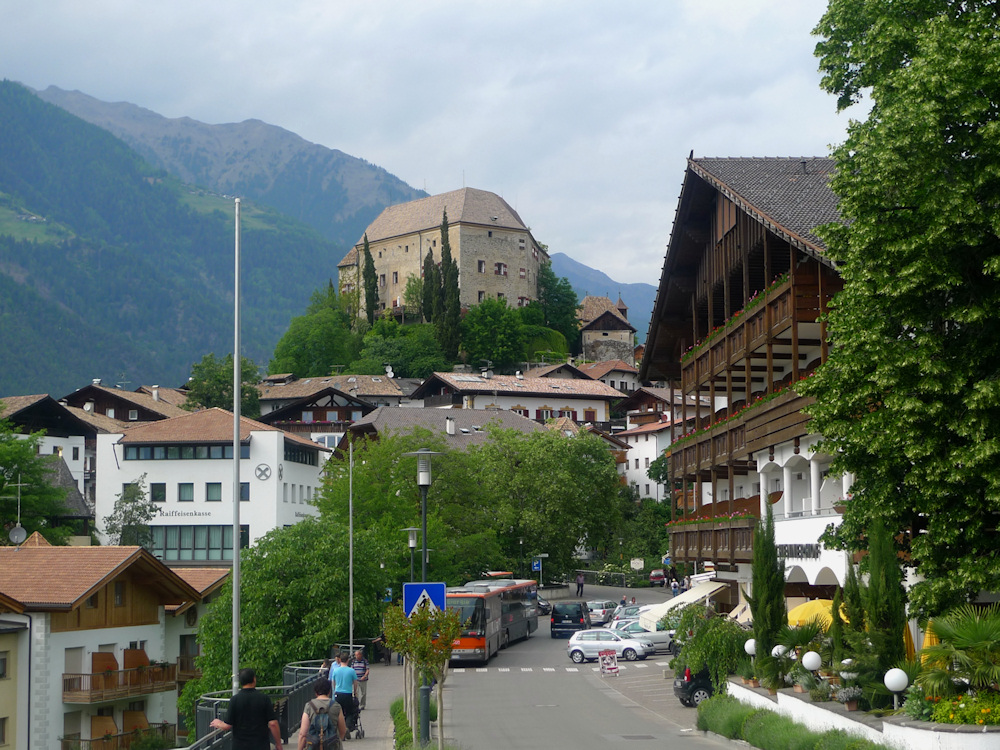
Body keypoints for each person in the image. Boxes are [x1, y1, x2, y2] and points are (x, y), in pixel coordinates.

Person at [210, 667, 282, 749]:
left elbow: (227, 725)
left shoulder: (235, 700)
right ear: (254, 679)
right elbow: (273, 724)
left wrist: (218, 723)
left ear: (241, 682)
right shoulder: (264, 698)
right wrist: (278, 743)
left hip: (240, 746)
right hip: (261, 745)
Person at [298, 677, 345, 749]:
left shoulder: (309, 706)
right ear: (329, 691)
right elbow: (342, 731)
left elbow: (303, 734)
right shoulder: (336, 706)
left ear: (315, 692)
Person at [331, 653, 358, 731]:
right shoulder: (351, 671)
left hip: (338, 694)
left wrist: (335, 691)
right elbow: (355, 682)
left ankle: (340, 729)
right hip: (347, 693)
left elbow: (333, 682)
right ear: (348, 660)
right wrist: (355, 692)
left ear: (340, 660)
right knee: (349, 712)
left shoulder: (336, 671)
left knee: (340, 712)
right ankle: (347, 727)